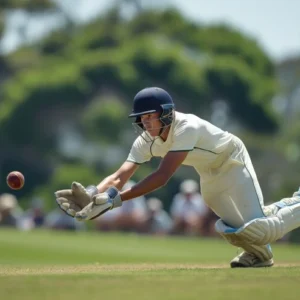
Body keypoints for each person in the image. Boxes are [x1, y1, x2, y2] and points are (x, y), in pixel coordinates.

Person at [55, 87, 300, 268]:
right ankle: (260, 255)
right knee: (241, 231)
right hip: (209, 173)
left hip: (233, 160)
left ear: (166, 114)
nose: (145, 123)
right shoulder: (146, 141)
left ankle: (291, 204)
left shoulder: (186, 127)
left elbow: (162, 176)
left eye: (149, 116)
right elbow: (121, 175)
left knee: (264, 230)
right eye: (141, 118)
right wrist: (92, 194)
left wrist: (115, 200)